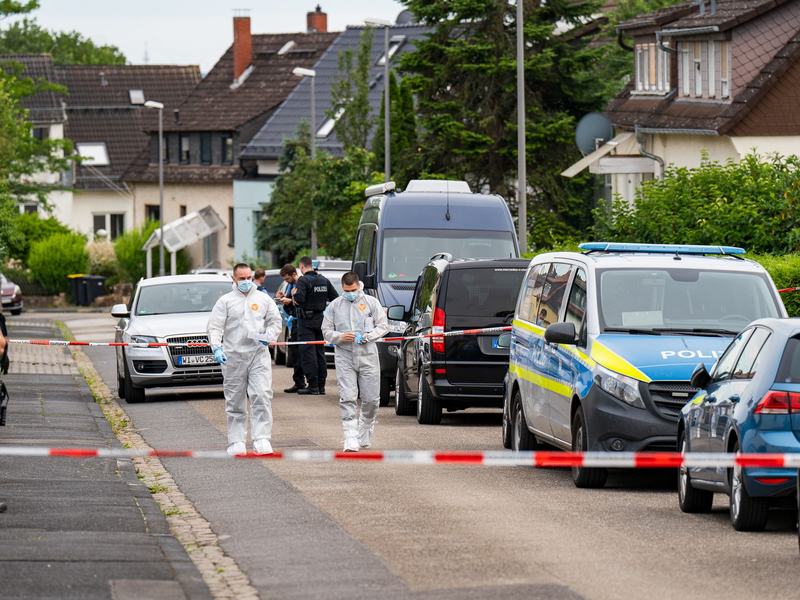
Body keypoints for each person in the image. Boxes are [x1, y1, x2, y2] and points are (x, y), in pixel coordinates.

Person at [208, 263, 282, 456]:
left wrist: (270, 336)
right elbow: (215, 327)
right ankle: (237, 440)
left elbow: (275, 321)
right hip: (233, 356)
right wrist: (216, 348)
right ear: (234, 279)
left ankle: (262, 438)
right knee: (235, 400)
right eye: (241, 278)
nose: (246, 282)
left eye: (248, 277)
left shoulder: (263, 299)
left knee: (262, 395)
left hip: (258, 354)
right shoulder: (225, 301)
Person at [322, 271, 388, 452]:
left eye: (352, 289)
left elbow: (383, 326)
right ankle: (349, 435)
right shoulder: (335, 305)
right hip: (344, 355)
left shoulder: (371, 302)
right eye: (346, 290)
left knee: (372, 398)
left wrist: (369, 336)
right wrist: (340, 336)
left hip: (367, 355)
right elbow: (326, 330)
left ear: (359, 286)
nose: (349, 293)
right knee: (348, 396)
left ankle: (366, 426)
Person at [293, 256, 338, 395]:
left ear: (301, 266)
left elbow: (299, 299)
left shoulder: (303, 280)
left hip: (306, 321)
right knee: (320, 353)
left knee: (308, 354)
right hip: (320, 319)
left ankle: (312, 386)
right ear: (311, 265)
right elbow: (335, 297)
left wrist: (294, 296)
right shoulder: (323, 280)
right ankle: (321, 386)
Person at [276, 263, 306, 393]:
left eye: (287, 278)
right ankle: (298, 382)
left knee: (302, 354)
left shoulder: (301, 284)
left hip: (302, 322)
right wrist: (282, 297)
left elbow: (302, 302)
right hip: (293, 321)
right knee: (294, 353)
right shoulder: (290, 286)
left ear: (294, 274)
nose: (286, 281)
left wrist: (289, 301)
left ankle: (306, 383)